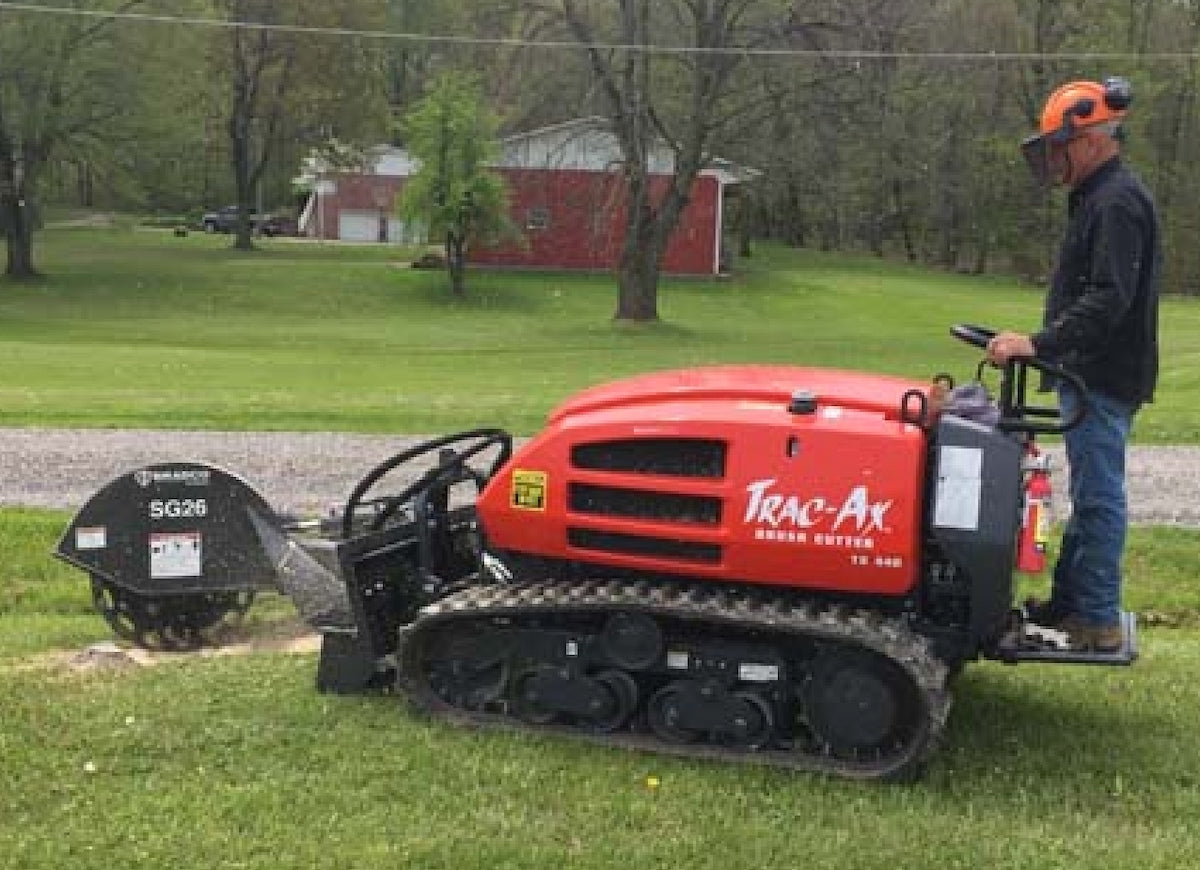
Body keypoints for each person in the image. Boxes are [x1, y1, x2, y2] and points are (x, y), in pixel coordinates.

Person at [986, 77, 1161, 652]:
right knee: (1088, 491)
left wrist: (1038, 344)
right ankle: (1072, 604)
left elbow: (1110, 297)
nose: (1055, 158)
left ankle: (1097, 616)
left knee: (1099, 495)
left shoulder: (1116, 203)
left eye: (1060, 146)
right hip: (1091, 373)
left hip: (1104, 376)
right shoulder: (1099, 199)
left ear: (1090, 140)